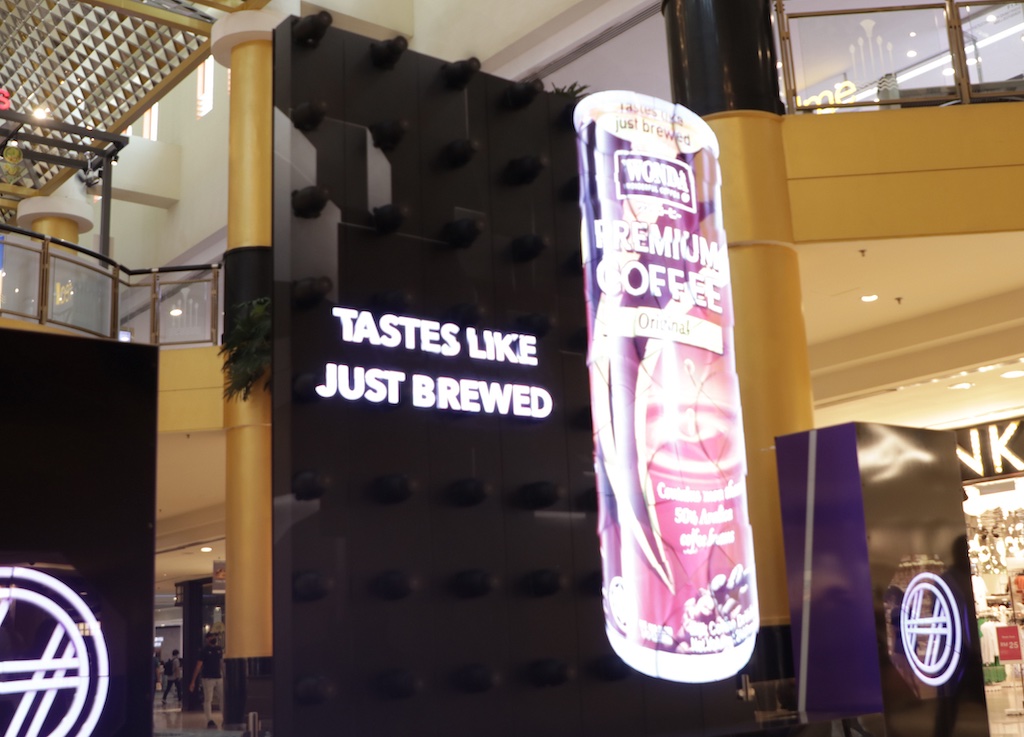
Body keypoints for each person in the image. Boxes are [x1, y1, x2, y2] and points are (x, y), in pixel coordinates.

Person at [189, 632, 224, 729]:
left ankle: (225, 717)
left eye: (213, 636)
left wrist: (224, 674)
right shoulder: (204, 651)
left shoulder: (219, 649)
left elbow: (221, 663)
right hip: (207, 678)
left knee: (222, 698)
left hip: (218, 677)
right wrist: (193, 681)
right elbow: (198, 666)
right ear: (207, 639)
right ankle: (209, 719)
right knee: (208, 699)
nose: (213, 638)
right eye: (211, 637)